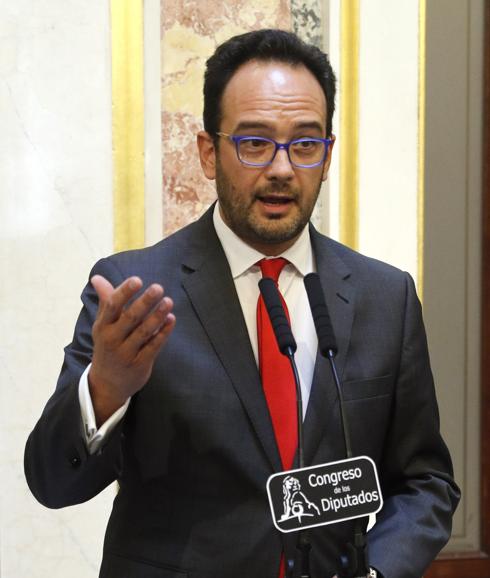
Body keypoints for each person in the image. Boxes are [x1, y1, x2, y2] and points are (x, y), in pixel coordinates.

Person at [24, 29, 459, 578]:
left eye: (305, 144)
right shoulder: (133, 291)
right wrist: (106, 388)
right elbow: (52, 482)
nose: (282, 169)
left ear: (327, 156)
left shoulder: (385, 298)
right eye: (254, 142)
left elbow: (425, 483)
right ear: (209, 153)